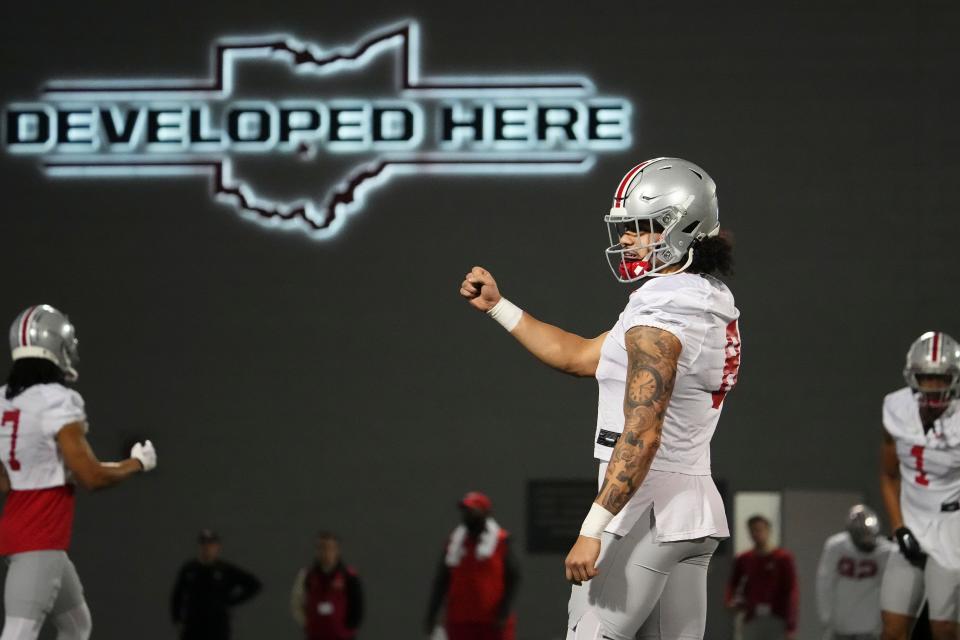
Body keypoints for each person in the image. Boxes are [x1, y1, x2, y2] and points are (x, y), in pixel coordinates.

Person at [459, 157, 740, 640]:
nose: (626, 239)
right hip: (690, 510)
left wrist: (595, 525)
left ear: (683, 228)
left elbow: (643, 431)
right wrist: (498, 307)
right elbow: (580, 356)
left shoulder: (663, 308)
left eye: (641, 227)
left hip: (644, 508)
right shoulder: (702, 296)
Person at [0, 304, 157, 640]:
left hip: (20, 529)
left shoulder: (4, 400)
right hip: (40, 537)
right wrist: (136, 464)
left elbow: (4, 478)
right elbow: (92, 477)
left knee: (77, 625)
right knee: (18, 634)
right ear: (56, 346)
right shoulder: (56, 399)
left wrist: (46, 472)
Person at [879, 331, 960, 640]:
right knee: (892, 628)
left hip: (951, 528)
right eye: (926, 377)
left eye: (942, 378)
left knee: (944, 628)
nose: (933, 386)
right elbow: (888, 475)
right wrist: (899, 527)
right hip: (911, 526)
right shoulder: (896, 407)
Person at [424, 492, 521, 640]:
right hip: (460, 621)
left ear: (485, 513)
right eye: (465, 512)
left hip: (492, 622)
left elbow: (513, 577)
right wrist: (432, 614)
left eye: (472, 511)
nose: (468, 516)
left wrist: (504, 610)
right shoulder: (453, 543)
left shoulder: (501, 542)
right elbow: (441, 581)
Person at [816, 505, 895, 640]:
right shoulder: (836, 546)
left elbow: (892, 591)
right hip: (840, 625)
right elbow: (825, 583)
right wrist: (827, 617)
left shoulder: (887, 552)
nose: (866, 541)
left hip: (870, 627)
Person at [170, 529, 262, 640]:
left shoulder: (224, 570)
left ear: (217, 547)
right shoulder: (190, 569)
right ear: (199, 546)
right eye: (203, 543)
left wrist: (231, 601)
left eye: (211, 544)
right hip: (193, 624)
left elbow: (254, 584)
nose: (207, 547)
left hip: (217, 625)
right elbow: (177, 595)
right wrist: (177, 619)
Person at [725, 515, 799, 640]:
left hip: (777, 617)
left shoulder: (782, 558)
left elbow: (791, 589)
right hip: (752, 617)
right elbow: (733, 583)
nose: (756, 534)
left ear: (768, 531)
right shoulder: (744, 558)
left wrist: (791, 625)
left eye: (759, 530)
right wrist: (730, 600)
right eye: (752, 530)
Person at [291, 531, 364, 640]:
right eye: (322, 548)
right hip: (316, 635)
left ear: (337, 551)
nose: (326, 552)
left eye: (330, 548)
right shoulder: (306, 575)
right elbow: (296, 602)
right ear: (317, 551)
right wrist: (308, 623)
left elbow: (358, 606)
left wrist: (349, 626)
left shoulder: (349, 576)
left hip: (342, 636)